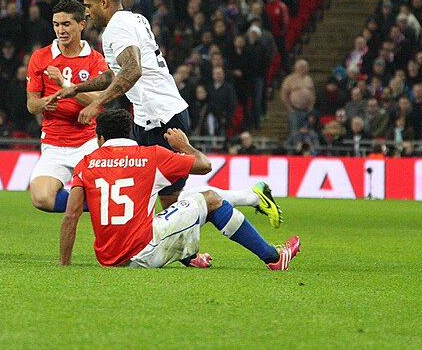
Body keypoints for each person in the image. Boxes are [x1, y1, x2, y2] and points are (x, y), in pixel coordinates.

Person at [48, 0, 281, 230]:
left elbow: (133, 69)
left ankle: (247, 198)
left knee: (172, 201)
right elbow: (116, 73)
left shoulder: (116, 28)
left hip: (163, 117)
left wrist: (96, 104)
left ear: (104, 2)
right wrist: (77, 89)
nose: (88, 13)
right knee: (159, 196)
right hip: (147, 118)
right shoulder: (135, 19)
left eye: (89, 6)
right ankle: (242, 203)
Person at [59, 109, 300, 270]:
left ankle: (189, 256)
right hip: (143, 253)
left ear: (99, 137)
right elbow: (205, 165)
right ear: (130, 132)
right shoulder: (150, 156)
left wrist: (64, 264)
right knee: (211, 199)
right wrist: (184, 145)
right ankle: (274, 257)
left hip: (109, 260)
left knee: (164, 214)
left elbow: (71, 216)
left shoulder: (87, 162)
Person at [26, 0, 108, 212]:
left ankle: (94, 201)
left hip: (87, 142)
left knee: (107, 192)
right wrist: (45, 103)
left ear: (81, 24)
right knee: (41, 198)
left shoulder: (95, 60)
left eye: (66, 24)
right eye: (56, 24)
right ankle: (87, 203)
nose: (60, 30)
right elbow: (31, 105)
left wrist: (64, 84)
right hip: (54, 144)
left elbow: (97, 102)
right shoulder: (40, 57)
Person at [281, 59, 316, 136]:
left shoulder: (309, 79)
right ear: (295, 67)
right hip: (295, 110)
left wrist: (311, 106)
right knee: (295, 132)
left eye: (305, 66)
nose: (304, 68)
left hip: (307, 110)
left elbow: (312, 93)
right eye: (301, 66)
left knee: (308, 131)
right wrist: (290, 108)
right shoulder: (289, 79)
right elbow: (284, 94)